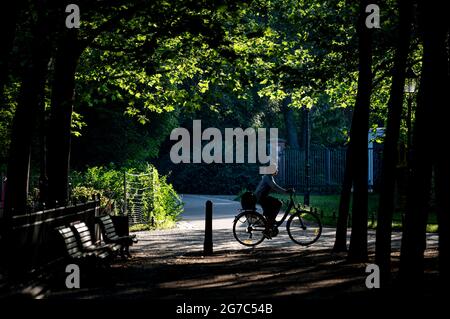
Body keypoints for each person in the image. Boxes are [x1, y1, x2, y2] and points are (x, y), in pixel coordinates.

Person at [254, 165, 293, 232]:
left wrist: (284, 191)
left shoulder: (269, 176)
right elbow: (274, 187)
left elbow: (274, 187)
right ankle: (268, 227)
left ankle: (271, 221)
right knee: (278, 203)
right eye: (276, 169)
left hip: (262, 196)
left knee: (274, 205)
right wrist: (285, 191)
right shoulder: (267, 177)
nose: (277, 170)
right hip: (261, 197)